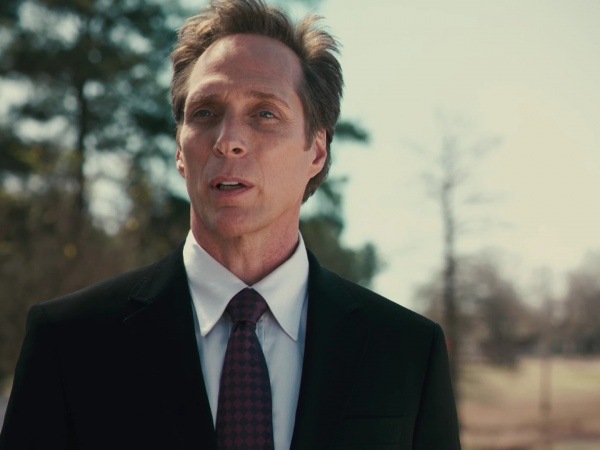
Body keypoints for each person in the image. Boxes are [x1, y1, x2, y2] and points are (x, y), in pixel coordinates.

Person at [0, 0, 461, 448]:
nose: (228, 141)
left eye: (264, 114)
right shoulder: (70, 343)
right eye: (205, 113)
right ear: (180, 151)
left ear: (317, 151)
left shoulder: (406, 351)